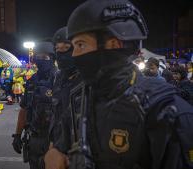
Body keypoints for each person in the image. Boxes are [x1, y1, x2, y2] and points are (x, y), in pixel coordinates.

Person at [46, 0, 193, 169]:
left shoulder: (165, 112)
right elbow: (58, 146)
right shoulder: (81, 99)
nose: (75, 54)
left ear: (113, 44)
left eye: (81, 45)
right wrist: (55, 153)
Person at [12, 41, 56, 169]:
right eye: (38, 57)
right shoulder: (32, 82)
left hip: (55, 140)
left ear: (52, 59)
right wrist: (17, 135)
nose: (41, 60)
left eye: (45, 57)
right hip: (34, 138)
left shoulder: (60, 80)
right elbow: (24, 110)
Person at [44, 26, 82, 169]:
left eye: (66, 47)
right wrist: (53, 143)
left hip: (80, 152)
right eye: (58, 49)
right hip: (59, 148)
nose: (61, 52)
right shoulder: (59, 77)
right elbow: (56, 112)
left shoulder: (88, 79)